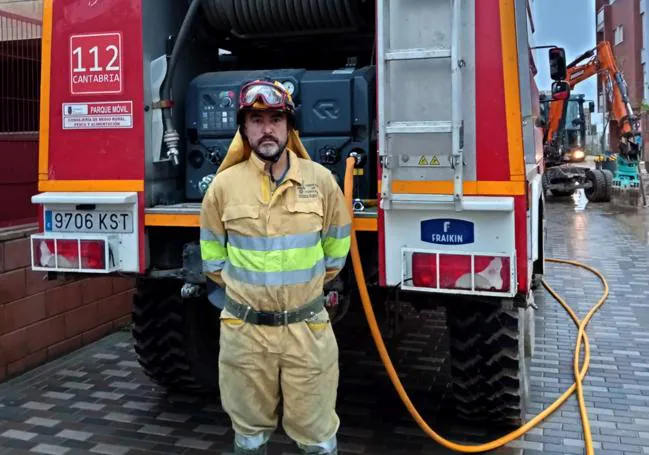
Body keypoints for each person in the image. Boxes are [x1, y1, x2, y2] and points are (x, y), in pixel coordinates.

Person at [199, 79, 351, 455]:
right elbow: (213, 260)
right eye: (256, 119)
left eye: (275, 119)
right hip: (245, 334)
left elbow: (335, 253)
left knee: (316, 435)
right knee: (249, 435)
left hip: (307, 331)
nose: (267, 128)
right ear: (243, 129)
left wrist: (301, 289)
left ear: (289, 126)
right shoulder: (222, 188)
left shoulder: (322, 182)